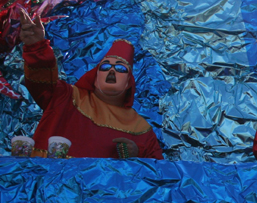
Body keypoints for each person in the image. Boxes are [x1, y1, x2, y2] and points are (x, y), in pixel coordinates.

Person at [19, 9, 164, 159]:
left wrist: (137, 155)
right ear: (95, 77)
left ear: (129, 83)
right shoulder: (66, 97)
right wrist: (37, 47)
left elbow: (158, 174)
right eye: (106, 67)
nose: (112, 71)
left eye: (120, 69)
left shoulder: (141, 129)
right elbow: (41, 81)